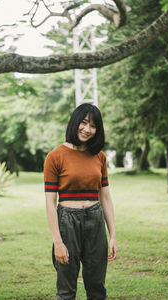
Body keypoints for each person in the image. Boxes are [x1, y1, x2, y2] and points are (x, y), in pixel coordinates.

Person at [44, 103, 117, 300]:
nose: (87, 129)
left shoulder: (99, 157)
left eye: (93, 126)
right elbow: (50, 202)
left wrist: (113, 236)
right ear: (75, 122)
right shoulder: (55, 156)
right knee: (66, 290)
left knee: (97, 289)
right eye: (83, 123)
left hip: (95, 219)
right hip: (67, 223)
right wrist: (57, 241)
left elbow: (106, 198)